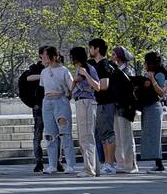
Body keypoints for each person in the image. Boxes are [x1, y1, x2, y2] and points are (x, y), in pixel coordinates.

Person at [19, 53, 59, 173]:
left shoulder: (55, 68)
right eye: (46, 56)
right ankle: (39, 162)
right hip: (39, 106)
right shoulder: (35, 69)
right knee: (38, 135)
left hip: (53, 105)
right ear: (41, 56)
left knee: (55, 134)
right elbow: (27, 79)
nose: (48, 59)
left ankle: (57, 161)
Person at [37, 46, 74, 175]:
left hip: (61, 101)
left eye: (46, 55)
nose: (43, 57)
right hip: (47, 102)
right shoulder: (44, 72)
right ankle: (52, 164)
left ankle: (70, 164)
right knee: (50, 134)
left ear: (53, 56)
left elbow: (71, 87)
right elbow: (43, 86)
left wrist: (67, 96)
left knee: (65, 134)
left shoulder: (64, 70)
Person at [69, 46, 102, 177]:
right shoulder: (78, 70)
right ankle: (94, 167)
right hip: (80, 101)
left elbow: (97, 86)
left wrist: (85, 74)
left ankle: (89, 169)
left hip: (86, 102)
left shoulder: (88, 69)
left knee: (86, 136)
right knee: (85, 136)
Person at [87, 39, 117, 174]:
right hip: (101, 103)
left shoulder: (104, 65)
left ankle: (110, 163)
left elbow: (104, 86)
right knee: (103, 134)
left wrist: (88, 77)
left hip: (106, 102)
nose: (89, 50)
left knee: (108, 133)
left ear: (97, 49)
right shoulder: (97, 65)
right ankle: (106, 162)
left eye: (91, 48)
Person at [139, 53, 167, 171]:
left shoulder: (159, 74)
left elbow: (161, 92)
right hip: (147, 107)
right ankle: (157, 162)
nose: (144, 65)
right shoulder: (151, 74)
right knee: (150, 135)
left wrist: (152, 80)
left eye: (146, 62)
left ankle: (159, 163)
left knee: (154, 136)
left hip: (154, 108)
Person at [111, 47, 138, 173]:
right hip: (116, 106)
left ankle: (130, 164)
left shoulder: (128, 70)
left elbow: (130, 88)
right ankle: (121, 162)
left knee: (126, 136)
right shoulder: (115, 70)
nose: (112, 55)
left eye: (114, 54)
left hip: (125, 106)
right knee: (118, 136)